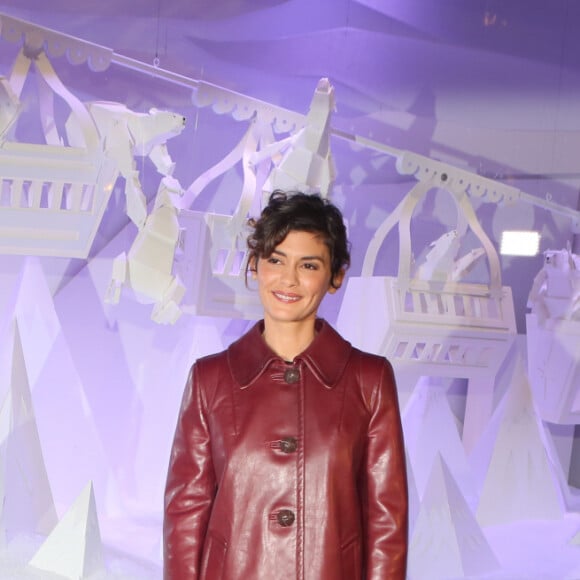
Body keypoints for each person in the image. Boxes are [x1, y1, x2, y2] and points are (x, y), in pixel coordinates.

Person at [164, 190, 408, 579]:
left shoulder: (369, 381)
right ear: (255, 265)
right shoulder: (210, 381)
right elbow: (186, 515)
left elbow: (386, 524)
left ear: (336, 276)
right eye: (275, 260)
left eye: (308, 265)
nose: (289, 279)